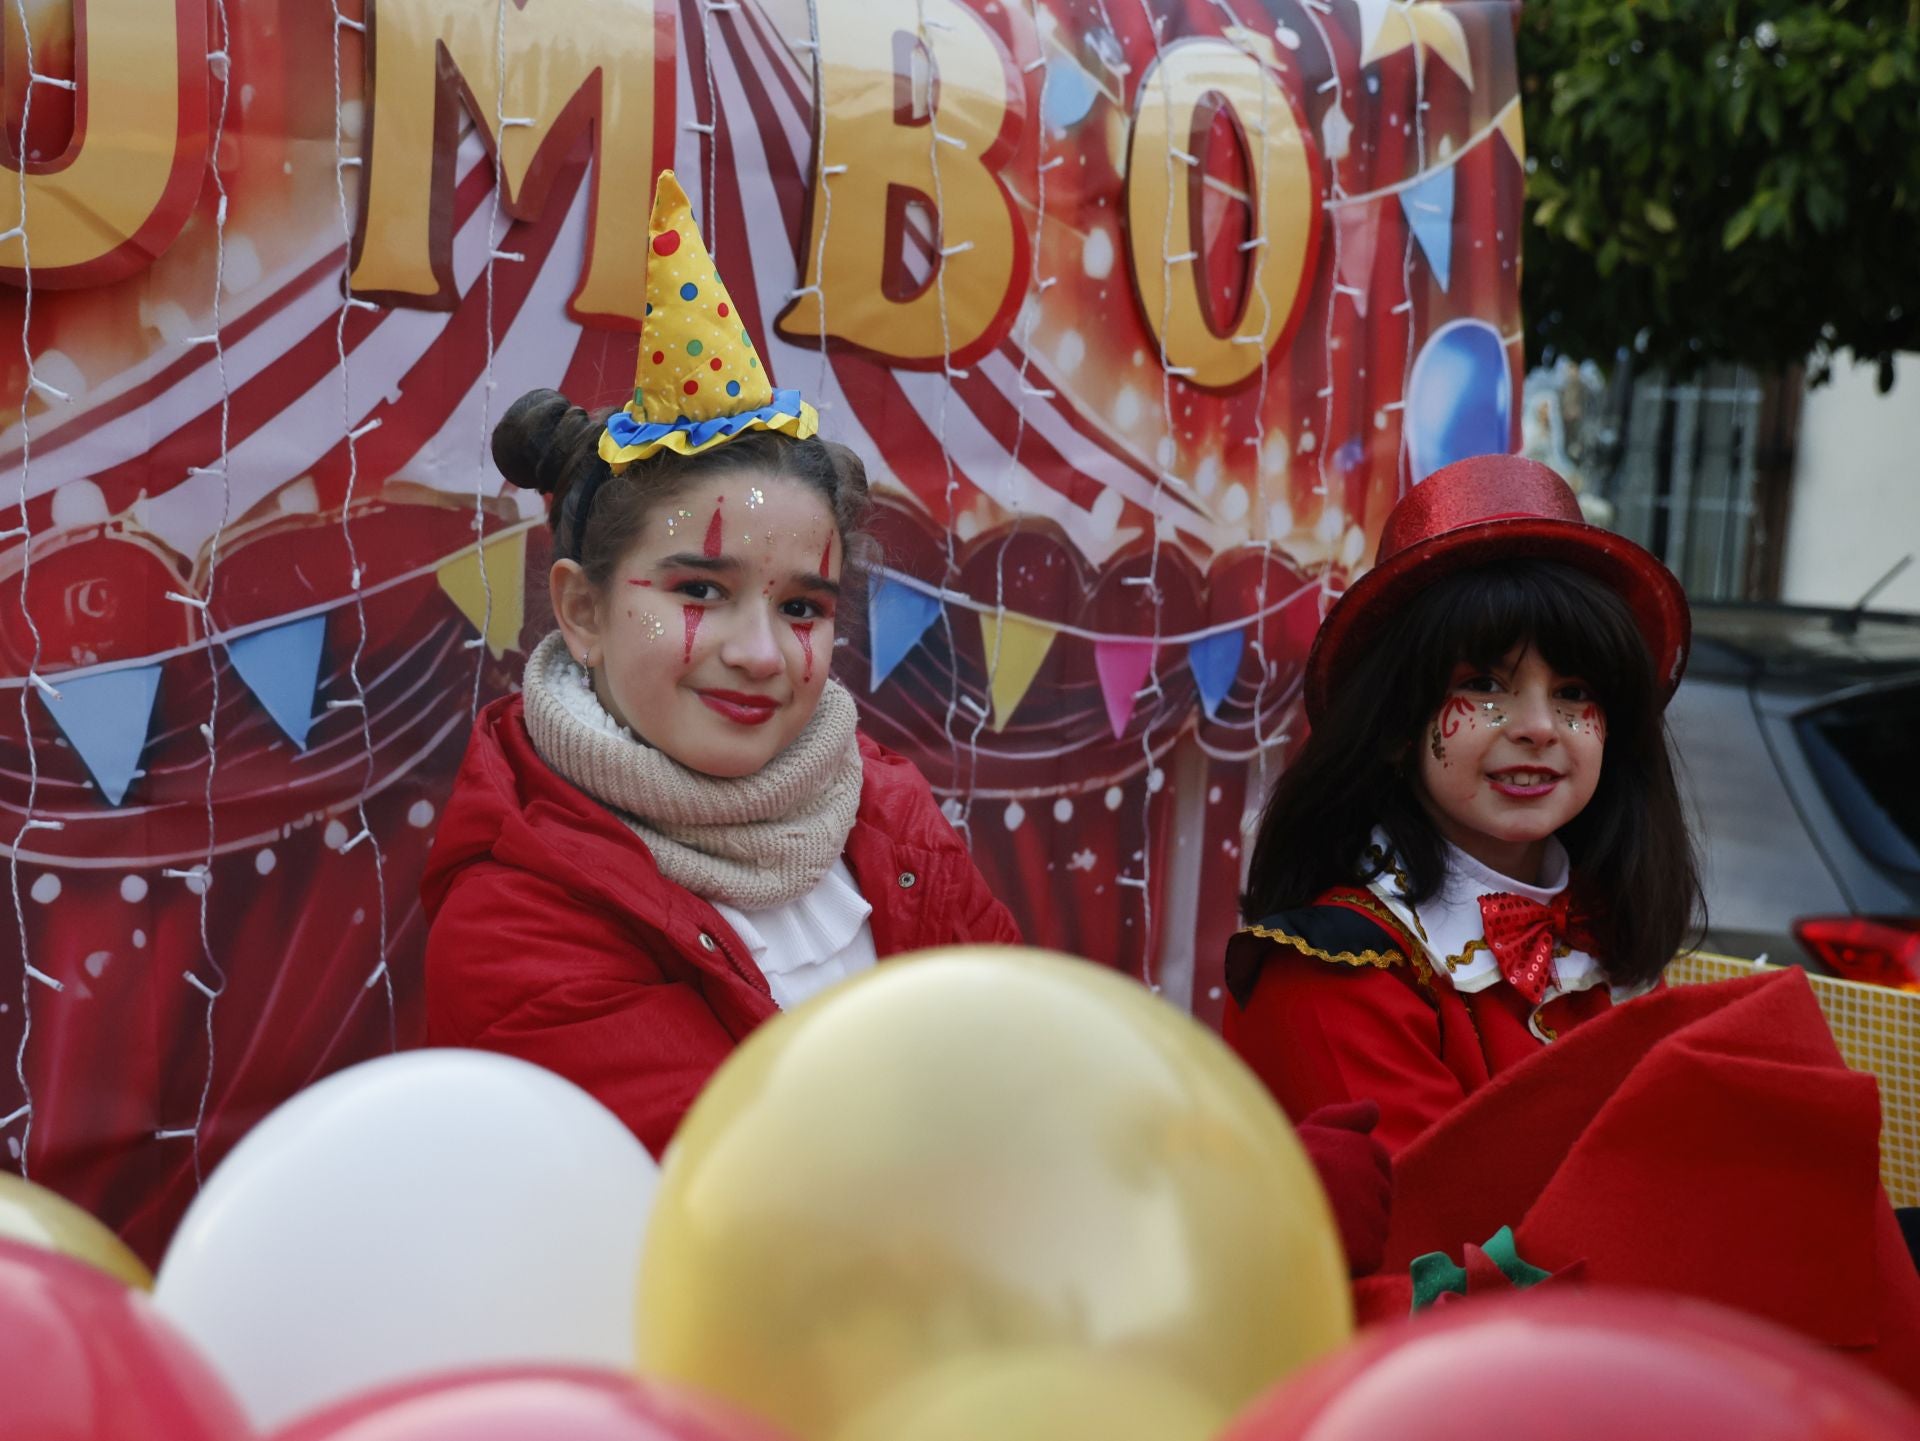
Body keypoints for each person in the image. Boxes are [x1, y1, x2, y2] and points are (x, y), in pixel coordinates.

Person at [422, 172, 1022, 1158]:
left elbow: (1035, 1083)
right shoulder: (517, 921)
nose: (760, 654)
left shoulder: (893, 813)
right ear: (583, 610)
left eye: (802, 607)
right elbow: (765, 1206)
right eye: (700, 590)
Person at [1223, 453, 1702, 1156]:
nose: (1538, 725)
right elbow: (1437, 1241)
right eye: (1485, 683)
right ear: (1394, 725)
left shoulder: (1605, 938)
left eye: (1573, 691)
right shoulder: (1330, 972)